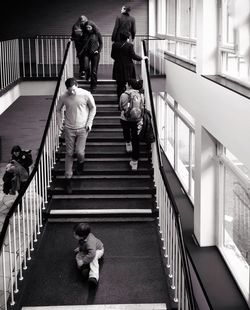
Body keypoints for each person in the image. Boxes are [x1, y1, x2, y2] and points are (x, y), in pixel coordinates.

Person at [56, 78, 96, 194]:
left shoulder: (86, 94)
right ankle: (68, 179)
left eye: (73, 90)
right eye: (69, 91)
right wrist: (60, 123)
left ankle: (81, 163)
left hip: (83, 128)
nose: (72, 93)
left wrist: (89, 123)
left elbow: (93, 108)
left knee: (79, 152)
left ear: (76, 85)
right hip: (69, 129)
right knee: (69, 153)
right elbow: (58, 110)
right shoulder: (64, 96)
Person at [111, 31, 148, 103]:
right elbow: (133, 56)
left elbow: (112, 55)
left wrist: (119, 59)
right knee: (130, 82)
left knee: (119, 85)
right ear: (127, 38)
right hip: (128, 67)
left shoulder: (114, 45)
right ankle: (127, 100)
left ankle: (120, 101)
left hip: (118, 66)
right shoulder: (129, 46)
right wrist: (142, 58)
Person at [120, 79, 144, 171]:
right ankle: (134, 163)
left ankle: (128, 143)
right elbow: (142, 107)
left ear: (129, 85)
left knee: (126, 130)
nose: (126, 85)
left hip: (125, 119)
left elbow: (121, 107)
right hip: (137, 120)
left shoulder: (123, 95)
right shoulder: (140, 95)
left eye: (126, 83)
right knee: (136, 140)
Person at [74, 223, 104, 287]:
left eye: (75, 234)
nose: (74, 235)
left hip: (98, 250)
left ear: (82, 236)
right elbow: (82, 244)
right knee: (78, 256)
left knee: (93, 258)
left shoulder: (90, 242)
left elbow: (92, 254)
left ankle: (93, 277)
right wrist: (80, 248)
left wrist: (83, 261)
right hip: (89, 250)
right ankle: (85, 268)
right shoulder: (83, 238)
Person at [80, 21, 103, 92]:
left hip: (95, 54)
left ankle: (93, 85)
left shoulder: (97, 33)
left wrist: (98, 50)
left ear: (92, 27)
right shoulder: (84, 34)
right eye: (86, 27)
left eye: (89, 27)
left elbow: (101, 43)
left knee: (94, 70)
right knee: (86, 66)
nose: (88, 29)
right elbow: (81, 42)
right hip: (86, 53)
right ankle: (88, 74)